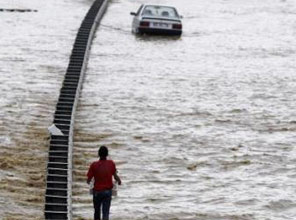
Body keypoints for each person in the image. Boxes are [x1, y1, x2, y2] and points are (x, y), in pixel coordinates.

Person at [87, 146, 122, 220]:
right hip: (107, 192)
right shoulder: (111, 163)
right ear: (107, 154)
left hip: (97, 192)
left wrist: (89, 181)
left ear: (98, 154)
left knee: (97, 212)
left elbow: (88, 179)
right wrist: (119, 181)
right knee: (105, 213)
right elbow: (115, 176)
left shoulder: (94, 165)